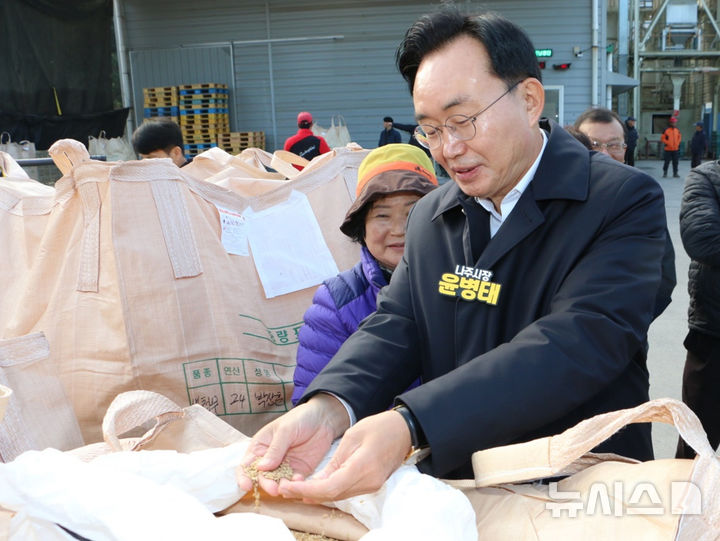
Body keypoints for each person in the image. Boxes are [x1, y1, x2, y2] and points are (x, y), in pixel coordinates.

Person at [237, 6, 669, 502]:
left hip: (581, 487)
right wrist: (330, 405)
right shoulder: (433, 215)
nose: (449, 149)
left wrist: (413, 423)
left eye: (463, 121)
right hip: (461, 489)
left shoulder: (620, 200)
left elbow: (578, 342)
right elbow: (398, 323)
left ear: (529, 100)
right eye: (432, 130)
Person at [292, 144, 438, 405]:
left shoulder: (468, 283)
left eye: (413, 212)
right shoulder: (336, 301)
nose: (398, 230)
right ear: (363, 225)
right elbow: (315, 404)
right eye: (382, 215)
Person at [574, 107, 676, 319]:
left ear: (625, 148)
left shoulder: (641, 199)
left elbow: (662, 279)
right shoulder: (556, 197)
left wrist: (628, 325)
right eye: (593, 144)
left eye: (614, 145)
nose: (604, 154)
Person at [675, 159, 720, 459]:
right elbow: (703, 241)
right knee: (696, 446)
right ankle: (685, 504)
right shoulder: (707, 176)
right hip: (714, 333)